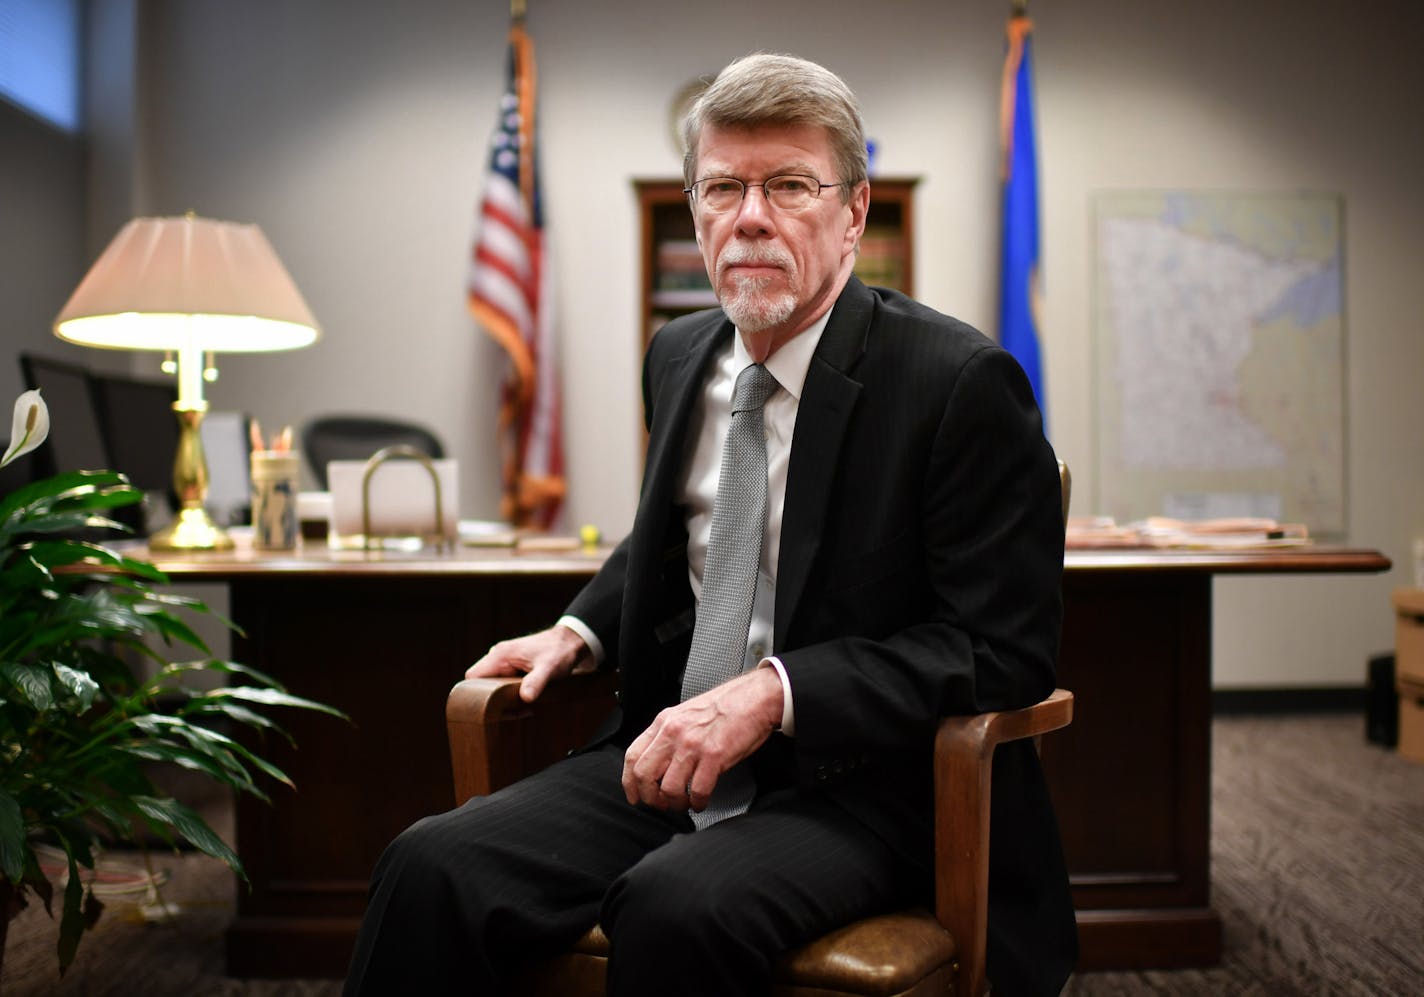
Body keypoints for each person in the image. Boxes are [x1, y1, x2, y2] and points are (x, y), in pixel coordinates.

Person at [345, 51, 1076, 997]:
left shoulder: (957, 384)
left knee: (675, 905)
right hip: (667, 757)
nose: (751, 217)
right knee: (428, 864)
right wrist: (578, 629)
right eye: (723, 186)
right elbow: (683, 532)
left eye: (789, 185)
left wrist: (774, 691)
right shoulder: (681, 352)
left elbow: (1001, 649)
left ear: (854, 211)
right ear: (695, 208)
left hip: (862, 787)